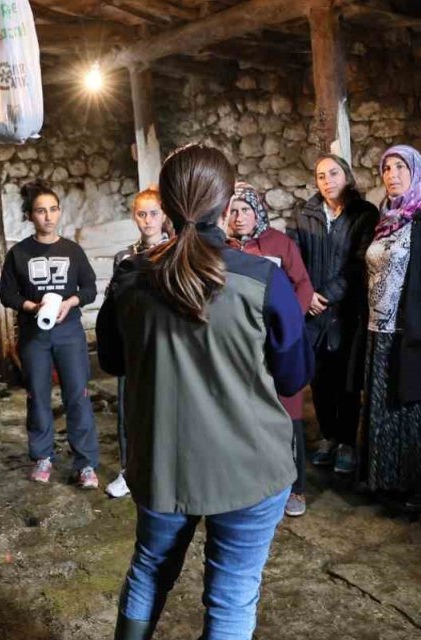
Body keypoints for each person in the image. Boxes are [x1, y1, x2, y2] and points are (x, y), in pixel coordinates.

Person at [98, 144, 312, 640]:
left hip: (163, 464)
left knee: (149, 571)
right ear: (227, 201)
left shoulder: (131, 279)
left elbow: (111, 361)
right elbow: (292, 377)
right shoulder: (263, 280)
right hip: (249, 468)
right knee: (232, 593)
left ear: (165, 204)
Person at [352, 144, 421, 511]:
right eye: (387, 168)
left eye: (401, 167)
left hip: (414, 332)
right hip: (377, 330)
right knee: (384, 404)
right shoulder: (384, 219)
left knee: (416, 407)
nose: (392, 174)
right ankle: (385, 477)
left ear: (417, 173)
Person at [0, 181, 102, 489]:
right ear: (30, 215)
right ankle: (43, 457)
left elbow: (89, 289)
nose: (48, 216)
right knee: (38, 396)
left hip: (69, 332)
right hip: (35, 336)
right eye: (41, 211)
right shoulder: (18, 253)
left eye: (53, 209)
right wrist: (32, 306)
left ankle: (85, 464)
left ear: (59, 212)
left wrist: (69, 303)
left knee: (78, 396)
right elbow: (7, 294)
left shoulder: (73, 251)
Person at [292, 154, 379, 477]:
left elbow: (359, 263)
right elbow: (294, 257)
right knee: (320, 379)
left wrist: (326, 294)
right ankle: (328, 437)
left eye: (333, 173)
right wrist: (307, 294)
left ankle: (347, 442)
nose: (328, 181)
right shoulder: (305, 213)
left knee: (347, 380)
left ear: (347, 176)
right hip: (312, 310)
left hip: (346, 310)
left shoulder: (364, 213)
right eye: (321, 176)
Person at [233, 182, 315, 517]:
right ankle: (255, 481)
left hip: (278, 342)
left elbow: (303, 284)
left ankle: (296, 488)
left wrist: (289, 323)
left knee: (288, 412)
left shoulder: (279, 244)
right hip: (243, 345)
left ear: (258, 213)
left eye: (246, 210)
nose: (239, 217)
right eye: (233, 211)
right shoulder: (224, 249)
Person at [106, 188, 169, 499]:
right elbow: (113, 299)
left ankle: (166, 468)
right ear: (134, 216)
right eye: (142, 214)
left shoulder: (174, 251)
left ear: (164, 215)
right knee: (129, 407)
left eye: (153, 213)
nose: (148, 220)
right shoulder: (125, 257)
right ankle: (128, 471)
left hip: (166, 342)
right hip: (133, 344)